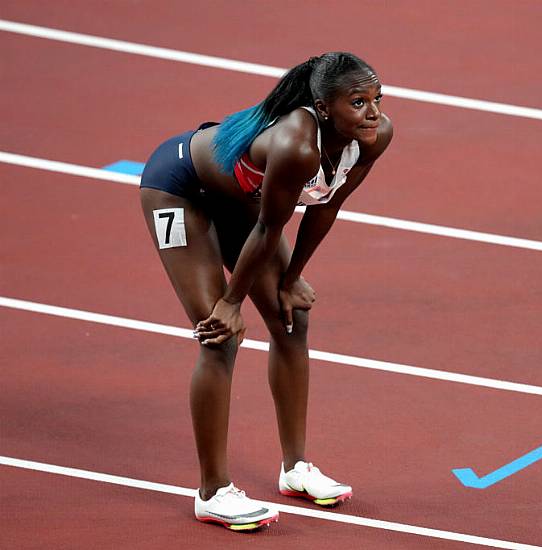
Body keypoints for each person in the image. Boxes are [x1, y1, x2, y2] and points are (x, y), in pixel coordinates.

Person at [138, 52, 392, 530]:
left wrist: (292, 279)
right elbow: (271, 226)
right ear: (321, 107)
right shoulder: (297, 144)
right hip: (179, 191)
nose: (374, 112)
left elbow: (325, 208)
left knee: (291, 319)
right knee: (219, 334)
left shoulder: (373, 138)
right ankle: (212, 493)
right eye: (358, 102)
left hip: (239, 199)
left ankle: (295, 469)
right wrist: (231, 304)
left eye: (377, 99)